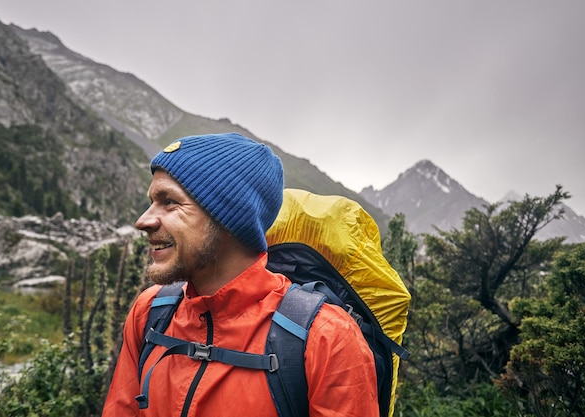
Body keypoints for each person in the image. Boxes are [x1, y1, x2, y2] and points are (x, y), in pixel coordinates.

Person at [102, 132, 379, 417]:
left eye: (170, 201)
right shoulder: (149, 312)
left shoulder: (328, 338)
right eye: (152, 202)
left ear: (228, 216)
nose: (143, 221)